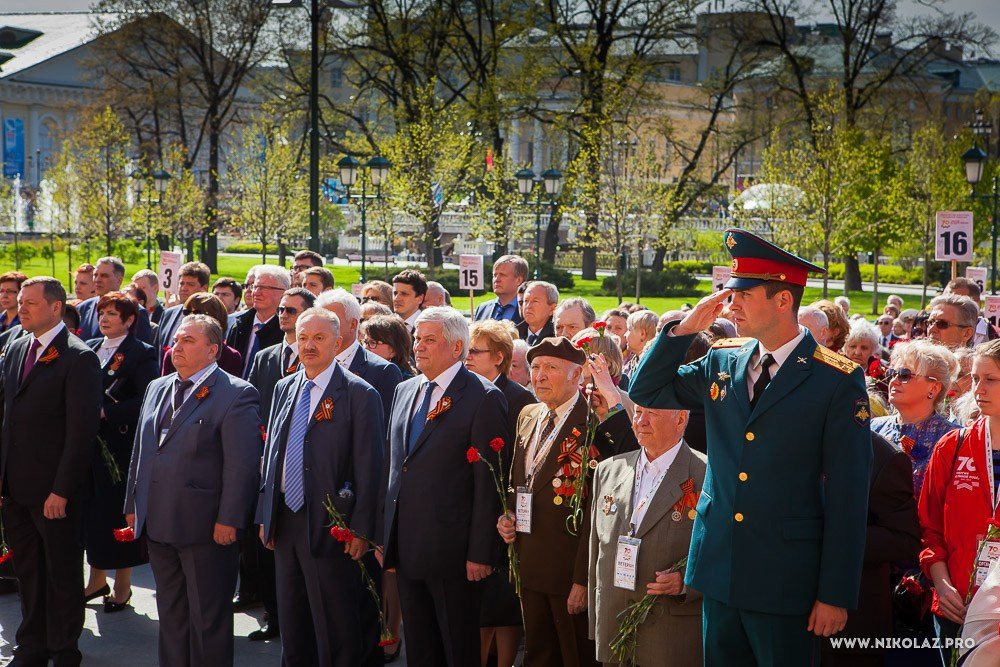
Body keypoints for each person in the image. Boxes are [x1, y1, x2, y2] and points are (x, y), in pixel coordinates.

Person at [628, 228, 872, 666]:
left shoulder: (835, 378)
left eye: (744, 293)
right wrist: (682, 330)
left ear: (783, 301)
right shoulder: (725, 358)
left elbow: (848, 493)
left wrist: (834, 593)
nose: (731, 302)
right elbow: (646, 388)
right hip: (720, 569)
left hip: (786, 578)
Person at [125, 314, 261, 666]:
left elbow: (241, 466)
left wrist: (230, 518)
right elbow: (142, 450)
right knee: (170, 614)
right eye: (176, 340)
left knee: (207, 619)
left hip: (206, 528)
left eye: (188, 341)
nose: (176, 347)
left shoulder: (236, 393)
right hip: (158, 520)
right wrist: (133, 503)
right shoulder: (159, 386)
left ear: (213, 350)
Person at [496, 337, 637, 667]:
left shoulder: (594, 419)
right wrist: (507, 515)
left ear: (578, 376)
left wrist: (583, 579)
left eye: (551, 368)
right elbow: (521, 481)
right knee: (537, 655)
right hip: (528, 562)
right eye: (535, 367)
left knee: (575, 656)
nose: (539, 376)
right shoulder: (528, 414)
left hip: (569, 572)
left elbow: (603, 506)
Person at [378, 307, 507, 666]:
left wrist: (481, 552)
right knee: (420, 650)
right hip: (407, 549)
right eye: (417, 338)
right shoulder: (405, 390)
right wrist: (386, 539)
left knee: (456, 649)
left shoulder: (482, 397)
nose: (418, 346)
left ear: (457, 348)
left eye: (429, 339)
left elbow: (489, 483)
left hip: (454, 555)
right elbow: (394, 468)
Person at [257, 307, 384, 666]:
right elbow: (272, 455)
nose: (308, 346)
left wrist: (360, 529)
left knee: (336, 627)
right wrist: (266, 514)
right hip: (286, 521)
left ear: (339, 341)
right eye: (302, 338)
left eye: (318, 338)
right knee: (293, 623)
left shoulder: (360, 394)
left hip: (333, 528)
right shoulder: (285, 387)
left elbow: (369, 468)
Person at [0, 276, 102, 667]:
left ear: (56, 308)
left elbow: (81, 433)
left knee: (61, 573)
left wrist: (61, 490)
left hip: (55, 492)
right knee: (28, 571)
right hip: (17, 487)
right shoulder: (15, 346)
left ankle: (63, 649)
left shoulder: (78, 357)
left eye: (30, 303)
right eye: (20, 302)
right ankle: (32, 646)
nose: (20, 308)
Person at [588, 404, 707, 666]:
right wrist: (597, 617)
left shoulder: (708, 474)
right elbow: (596, 551)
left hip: (668, 633)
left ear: (681, 420)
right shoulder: (608, 470)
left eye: (652, 413)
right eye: (638, 411)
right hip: (614, 626)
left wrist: (686, 582)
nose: (640, 421)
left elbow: (722, 550)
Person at [918, 338, 1000, 665]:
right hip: (957, 607)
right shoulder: (953, 446)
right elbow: (928, 526)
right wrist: (942, 583)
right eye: (976, 378)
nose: (979, 388)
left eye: (991, 379)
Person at [242, 287, 315, 641]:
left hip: (301, 473)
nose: (283, 314)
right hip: (268, 461)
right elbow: (253, 403)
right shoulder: (267, 356)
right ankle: (273, 614)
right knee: (268, 547)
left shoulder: (315, 357)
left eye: (291, 309)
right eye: (282, 309)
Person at [465, 320, 536, 667]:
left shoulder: (519, 399)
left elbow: (519, 462)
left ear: (499, 357)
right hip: (475, 512)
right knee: (482, 608)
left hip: (505, 514)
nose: (467, 357)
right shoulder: (467, 389)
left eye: (474, 351)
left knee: (502, 604)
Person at [83, 292, 158, 613]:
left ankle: (123, 586)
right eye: (102, 312)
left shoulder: (141, 353)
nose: (105, 318)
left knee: (117, 514)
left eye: (113, 313)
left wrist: (106, 414)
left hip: (120, 448)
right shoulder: (90, 348)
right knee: (94, 516)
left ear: (129, 320)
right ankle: (96, 580)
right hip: (90, 447)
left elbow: (147, 399)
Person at [821, 432, 920, 667]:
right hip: (783, 622)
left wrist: (824, 538)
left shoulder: (882, 454)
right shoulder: (783, 438)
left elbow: (905, 540)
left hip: (851, 630)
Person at [870, 340, 958, 498]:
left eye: (904, 375)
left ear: (934, 388)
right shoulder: (873, 428)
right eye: (891, 374)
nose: (894, 381)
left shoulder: (953, 438)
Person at [317, 289, 403, 418]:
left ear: (352, 325)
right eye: (320, 319)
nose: (323, 327)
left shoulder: (382, 371)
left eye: (332, 320)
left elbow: (383, 428)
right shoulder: (309, 364)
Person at [227, 265, 289, 379]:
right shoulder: (239, 325)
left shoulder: (286, 329)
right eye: (255, 287)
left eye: (264, 288)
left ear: (283, 293)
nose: (256, 292)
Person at [163, 293, 244, 377]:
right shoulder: (173, 354)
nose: (191, 317)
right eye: (187, 312)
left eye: (197, 313)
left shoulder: (230, 356)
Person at [77, 257, 154, 344]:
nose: (98, 280)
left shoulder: (136, 311)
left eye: (104, 276)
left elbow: (142, 351)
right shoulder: (82, 308)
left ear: (119, 280)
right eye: (95, 275)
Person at [156, 262, 212, 367]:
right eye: (181, 283)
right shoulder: (168, 314)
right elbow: (158, 352)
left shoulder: (211, 318)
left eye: (190, 284)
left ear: (204, 288)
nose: (184, 288)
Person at [474, 255, 528, 324]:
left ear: (518, 280)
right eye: (495, 275)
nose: (496, 280)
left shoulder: (528, 310)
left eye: (502, 275)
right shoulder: (483, 308)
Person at [944, 277, 997, 345]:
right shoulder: (934, 330)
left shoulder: (994, 335)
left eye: (957, 302)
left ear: (977, 305)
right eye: (943, 300)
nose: (947, 307)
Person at [623, 310, 659, 380]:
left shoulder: (650, 365)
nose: (625, 335)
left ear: (642, 334)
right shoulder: (635, 359)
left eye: (629, 330)